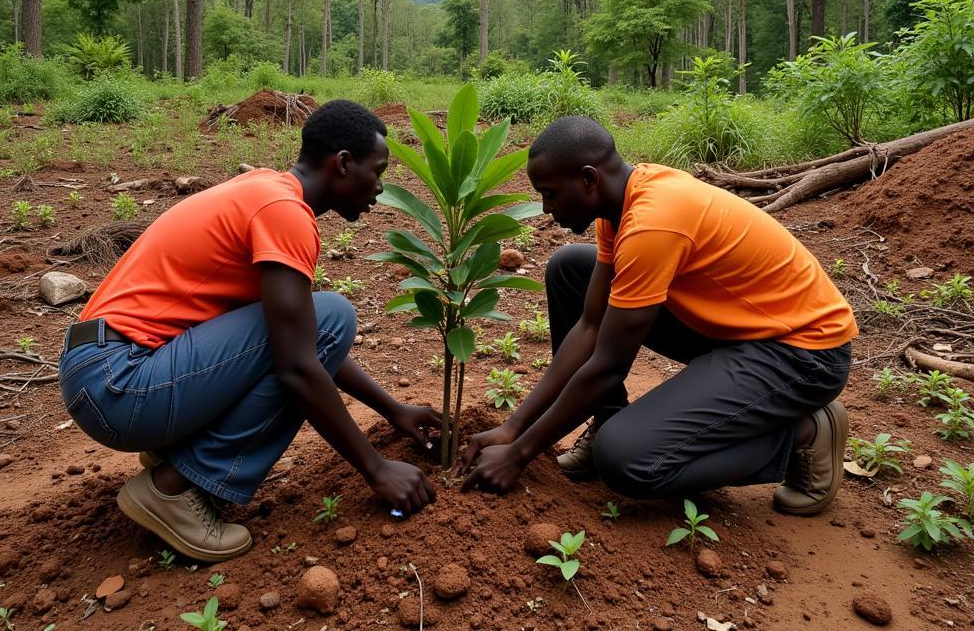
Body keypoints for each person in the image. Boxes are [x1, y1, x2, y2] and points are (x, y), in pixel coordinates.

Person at [58, 99, 437, 562]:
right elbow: (299, 361)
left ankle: (175, 454)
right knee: (333, 316)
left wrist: (392, 409)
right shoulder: (284, 212)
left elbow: (301, 339)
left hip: (103, 372)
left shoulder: (263, 189)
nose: (379, 189)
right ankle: (174, 488)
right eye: (377, 172)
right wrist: (376, 469)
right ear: (342, 164)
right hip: (120, 385)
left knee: (320, 324)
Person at [462, 116, 857, 515]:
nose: (548, 210)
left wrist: (520, 453)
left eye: (551, 195)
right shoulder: (619, 204)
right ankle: (608, 419)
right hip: (742, 328)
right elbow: (591, 326)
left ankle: (804, 434)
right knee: (570, 269)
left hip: (804, 353)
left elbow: (607, 366)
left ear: (588, 178)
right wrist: (513, 429)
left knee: (626, 460)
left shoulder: (653, 224)